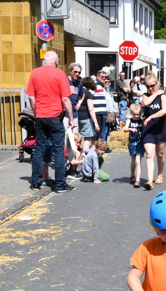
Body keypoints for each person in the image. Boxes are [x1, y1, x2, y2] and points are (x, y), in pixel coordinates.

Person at [26, 51, 75, 193]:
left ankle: (36, 182)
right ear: (56, 61)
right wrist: (71, 118)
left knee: (39, 149)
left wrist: (36, 113)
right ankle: (60, 185)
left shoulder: (35, 73)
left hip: (40, 116)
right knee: (58, 150)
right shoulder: (60, 74)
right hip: (55, 117)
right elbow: (65, 99)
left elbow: (31, 97)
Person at [140, 74, 166, 190]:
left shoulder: (162, 97)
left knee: (160, 154)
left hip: (160, 127)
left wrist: (151, 117)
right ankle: (149, 181)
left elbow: (164, 110)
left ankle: (160, 173)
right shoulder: (145, 95)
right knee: (149, 154)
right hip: (148, 128)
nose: (150, 88)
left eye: (152, 86)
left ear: (157, 84)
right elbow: (146, 103)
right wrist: (156, 93)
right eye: (148, 86)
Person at [125, 103, 145, 187]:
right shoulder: (129, 120)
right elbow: (125, 129)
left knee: (137, 161)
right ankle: (132, 175)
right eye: (134, 114)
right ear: (131, 114)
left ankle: (137, 180)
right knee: (133, 161)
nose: (136, 116)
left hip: (140, 142)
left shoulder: (142, 120)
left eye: (138, 114)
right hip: (132, 143)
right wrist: (130, 129)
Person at [77, 77, 100, 150]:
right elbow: (91, 109)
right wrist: (96, 123)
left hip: (75, 117)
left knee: (75, 137)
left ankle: (74, 155)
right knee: (87, 138)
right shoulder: (88, 93)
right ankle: (84, 154)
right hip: (85, 117)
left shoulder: (76, 91)